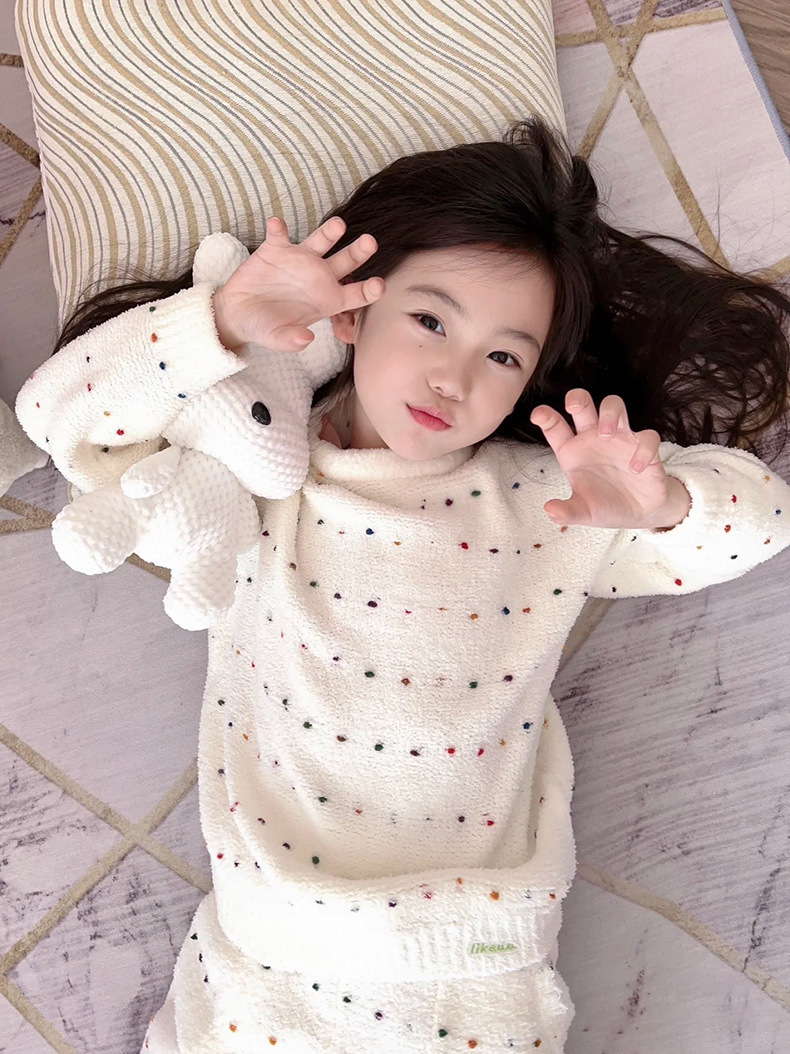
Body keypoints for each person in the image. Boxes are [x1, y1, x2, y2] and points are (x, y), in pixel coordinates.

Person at [15, 113, 790, 1053]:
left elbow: (762, 523)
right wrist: (217, 323)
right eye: (430, 320)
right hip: (272, 960)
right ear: (354, 313)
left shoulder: (552, 498)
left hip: (474, 968)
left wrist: (663, 502)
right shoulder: (259, 467)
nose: (453, 376)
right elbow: (57, 415)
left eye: (503, 356)